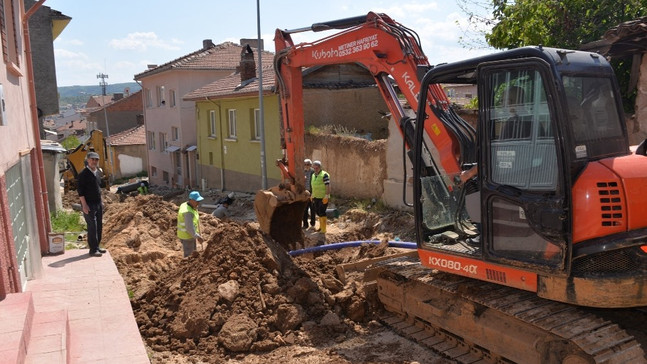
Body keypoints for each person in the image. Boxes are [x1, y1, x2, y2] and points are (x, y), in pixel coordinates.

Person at [77, 151, 106, 257]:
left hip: (98, 203)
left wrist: (101, 201)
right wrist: (84, 205)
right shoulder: (83, 174)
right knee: (92, 226)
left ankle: (97, 246)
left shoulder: (98, 172)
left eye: (96, 159)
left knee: (99, 225)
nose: (94, 161)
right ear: (88, 160)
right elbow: (80, 192)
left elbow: (98, 188)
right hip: (88, 204)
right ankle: (93, 249)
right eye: (92, 159)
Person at [177, 191, 205, 257]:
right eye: (197, 201)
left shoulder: (185, 204)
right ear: (191, 200)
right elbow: (189, 228)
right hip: (188, 236)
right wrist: (197, 237)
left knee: (193, 253)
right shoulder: (188, 212)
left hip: (189, 235)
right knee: (189, 256)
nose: (198, 203)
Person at [310, 160, 330, 233]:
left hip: (323, 197)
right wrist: (312, 195)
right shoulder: (313, 175)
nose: (315, 169)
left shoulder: (324, 175)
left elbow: (327, 185)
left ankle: (323, 229)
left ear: (320, 167)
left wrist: (326, 196)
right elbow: (313, 186)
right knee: (317, 211)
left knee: (322, 212)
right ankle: (321, 227)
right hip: (316, 197)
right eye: (314, 168)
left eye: (317, 168)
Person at [302, 159, 316, 229]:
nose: (306, 166)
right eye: (305, 164)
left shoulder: (313, 172)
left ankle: (312, 224)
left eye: (308, 164)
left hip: (311, 192)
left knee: (312, 208)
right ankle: (305, 224)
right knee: (305, 209)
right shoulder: (302, 172)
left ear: (310, 165)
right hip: (304, 193)